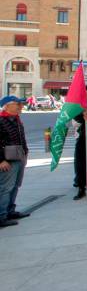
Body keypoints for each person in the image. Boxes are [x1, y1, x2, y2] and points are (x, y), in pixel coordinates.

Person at [0, 96, 30, 227]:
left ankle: (10, 211)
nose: (20, 106)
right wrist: (1, 160)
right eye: (17, 104)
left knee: (15, 185)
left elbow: (21, 139)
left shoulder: (16, 120)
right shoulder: (2, 120)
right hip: (8, 159)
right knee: (5, 188)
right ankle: (1, 215)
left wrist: (25, 153)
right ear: (7, 106)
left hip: (18, 156)